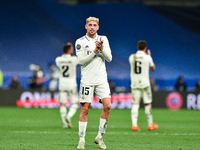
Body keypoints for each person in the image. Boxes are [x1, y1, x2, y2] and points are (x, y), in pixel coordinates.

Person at [76, 17, 112, 149]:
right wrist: (95, 51)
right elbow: (81, 61)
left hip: (101, 80)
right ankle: (81, 139)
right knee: (85, 109)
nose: (92, 27)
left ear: (98, 27)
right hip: (87, 80)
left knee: (107, 106)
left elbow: (109, 58)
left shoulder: (104, 39)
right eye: (89, 25)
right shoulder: (80, 41)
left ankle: (100, 137)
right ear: (86, 27)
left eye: (94, 25)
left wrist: (101, 48)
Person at [129, 40, 158, 131]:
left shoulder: (132, 57)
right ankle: (150, 125)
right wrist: (148, 57)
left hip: (135, 84)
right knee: (147, 103)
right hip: (145, 84)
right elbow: (153, 68)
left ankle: (134, 125)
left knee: (135, 104)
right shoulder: (147, 57)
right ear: (145, 48)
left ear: (137, 47)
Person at [55, 43, 79, 129]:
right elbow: (75, 58)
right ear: (70, 51)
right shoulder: (74, 59)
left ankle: (65, 124)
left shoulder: (58, 59)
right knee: (75, 103)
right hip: (72, 84)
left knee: (62, 104)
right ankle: (68, 116)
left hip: (62, 84)